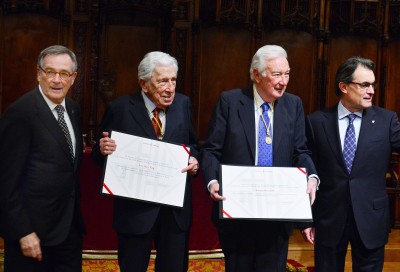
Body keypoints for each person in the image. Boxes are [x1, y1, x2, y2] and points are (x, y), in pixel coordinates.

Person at [201, 44, 319, 272]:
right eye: (276, 74)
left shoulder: (293, 105)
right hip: (236, 215)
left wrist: (311, 176)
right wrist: (213, 181)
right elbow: (211, 150)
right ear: (257, 74)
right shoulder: (230, 102)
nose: (283, 81)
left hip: (277, 217)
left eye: (287, 74)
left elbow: (301, 152)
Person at [91, 51, 200, 272]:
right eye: (162, 81)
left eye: (173, 80)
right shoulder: (120, 109)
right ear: (144, 83)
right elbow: (97, 153)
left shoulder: (183, 104)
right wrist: (102, 149)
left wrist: (195, 160)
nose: (170, 88)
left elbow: (193, 144)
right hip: (135, 213)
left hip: (174, 213)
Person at [301, 57, 400, 271]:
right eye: (364, 85)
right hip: (328, 218)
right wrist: (305, 220)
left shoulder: (387, 120)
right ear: (344, 86)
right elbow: (304, 164)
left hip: (371, 218)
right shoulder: (316, 122)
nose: (371, 90)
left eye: (372, 84)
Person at [0, 45, 85, 271]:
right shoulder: (20, 113)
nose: (56, 80)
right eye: (50, 72)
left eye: (64, 73)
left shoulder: (74, 110)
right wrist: (23, 232)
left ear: (73, 78)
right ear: (39, 74)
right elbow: (5, 183)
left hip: (69, 231)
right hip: (32, 236)